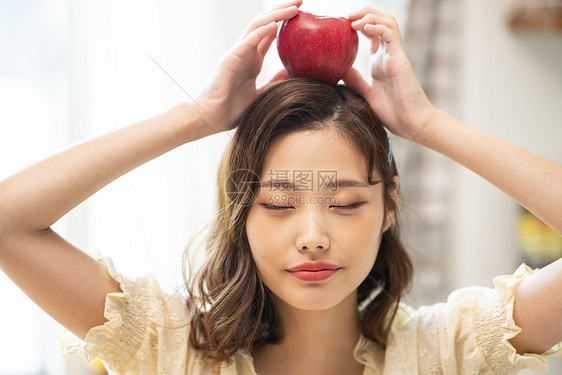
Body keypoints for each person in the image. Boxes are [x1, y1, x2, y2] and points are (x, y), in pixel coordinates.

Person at [0, 1, 561, 374]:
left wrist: (427, 124)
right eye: (277, 204)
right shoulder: (166, 347)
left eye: (345, 203)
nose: (312, 236)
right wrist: (195, 115)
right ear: (241, 210)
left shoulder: (449, 352)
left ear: (389, 205)